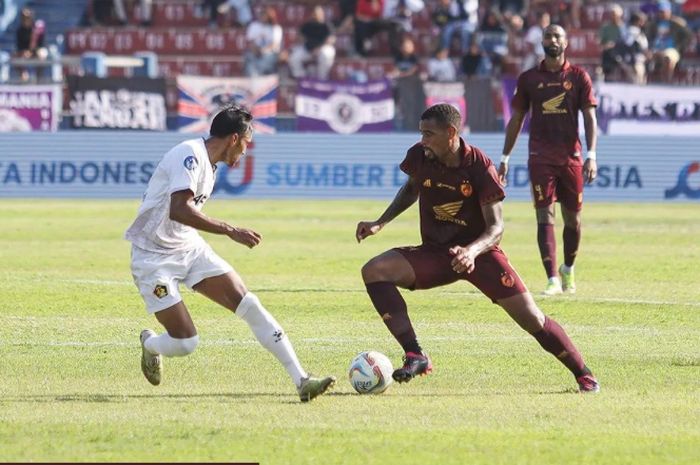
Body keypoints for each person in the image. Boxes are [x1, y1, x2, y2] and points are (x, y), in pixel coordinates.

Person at [356, 103, 600, 393]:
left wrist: (470, 252)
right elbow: (411, 189)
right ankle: (415, 354)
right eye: (421, 133)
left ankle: (583, 374)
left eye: (429, 134)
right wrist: (380, 223)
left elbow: (496, 228)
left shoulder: (480, 167)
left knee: (532, 318)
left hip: (481, 256)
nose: (423, 141)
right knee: (374, 270)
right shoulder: (421, 155)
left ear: (451, 133)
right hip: (436, 253)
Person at [125, 105, 335, 402]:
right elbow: (179, 209)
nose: (246, 152)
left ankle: (302, 380)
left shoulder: (210, 165)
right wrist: (229, 230)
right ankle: (151, 345)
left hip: (188, 246)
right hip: (152, 256)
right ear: (234, 138)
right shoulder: (189, 155)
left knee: (249, 303)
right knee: (186, 343)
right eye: (247, 144)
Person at [499, 24, 598, 296]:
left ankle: (568, 268)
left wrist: (591, 155)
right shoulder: (530, 78)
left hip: (572, 157)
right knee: (544, 215)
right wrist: (505, 157)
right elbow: (516, 119)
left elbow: (590, 117)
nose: (551, 40)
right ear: (542, 42)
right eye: (547, 36)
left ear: (566, 43)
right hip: (540, 156)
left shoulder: (579, 77)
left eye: (557, 36)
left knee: (573, 220)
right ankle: (552, 277)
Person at [288, 6, 336, 80]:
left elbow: (331, 40)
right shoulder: (307, 25)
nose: (315, 16)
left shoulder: (327, 25)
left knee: (325, 55)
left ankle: (322, 79)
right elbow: (300, 38)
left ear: (322, 14)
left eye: (317, 14)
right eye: (314, 14)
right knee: (294, 57)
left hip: (322, 48)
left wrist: (318, 48)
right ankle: (301, 78)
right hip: (308, 49)